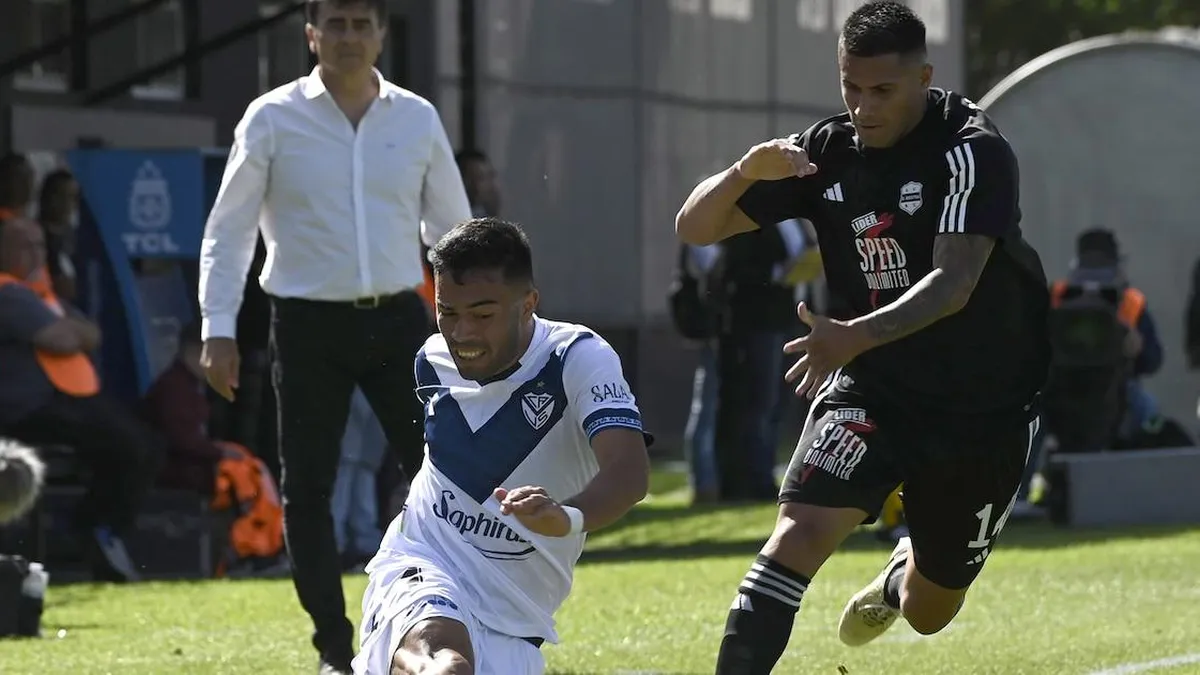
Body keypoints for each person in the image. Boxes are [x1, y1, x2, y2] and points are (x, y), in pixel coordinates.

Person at [674, 3, 1050, 671]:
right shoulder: (825, 152)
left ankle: (900, 573)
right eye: (850, 87)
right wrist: (744, 171)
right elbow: (696, 228)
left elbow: (953, 282)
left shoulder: (971, 147)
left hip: (982, 404)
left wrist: (851, 335)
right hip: (874, 383)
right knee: (798, 532)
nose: (862, 107)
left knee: (933, 610)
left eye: (883, 90)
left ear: (925, 77)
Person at [196, 0, 472, 670]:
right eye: (337, 24)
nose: (349, 37)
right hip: (305, 321)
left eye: (362, 24)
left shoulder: (416, 118)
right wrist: (217, 328)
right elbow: (228, 231)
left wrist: (477, 328)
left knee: (446, 477)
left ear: (382, 34)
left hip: (396, 318)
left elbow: (454, 233)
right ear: (312, 34)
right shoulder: (271, 117)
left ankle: (454, 621)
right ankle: (334, 649)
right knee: (307, 488)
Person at [353, 218, 651, 675]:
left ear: (529, 303)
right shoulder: (430, 361)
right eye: (447, 312)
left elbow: (629, 473)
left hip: (515, 618)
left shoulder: (577, 358)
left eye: (483, 314)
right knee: (445, 663)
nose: (462, 334)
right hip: (421, 562)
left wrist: (565, 516)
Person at [0, 217, 159, 582]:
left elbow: (91, 332)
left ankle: (102, 530)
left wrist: (72, 332)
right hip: (30, 408)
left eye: (40, 246)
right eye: (25, 246)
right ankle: (91, 528)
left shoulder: (43, 295)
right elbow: (62, 339)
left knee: (147, 443)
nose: (36, 254)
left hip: (71, 400)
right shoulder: (9, 293)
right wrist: (72, 333)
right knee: (129, 444)